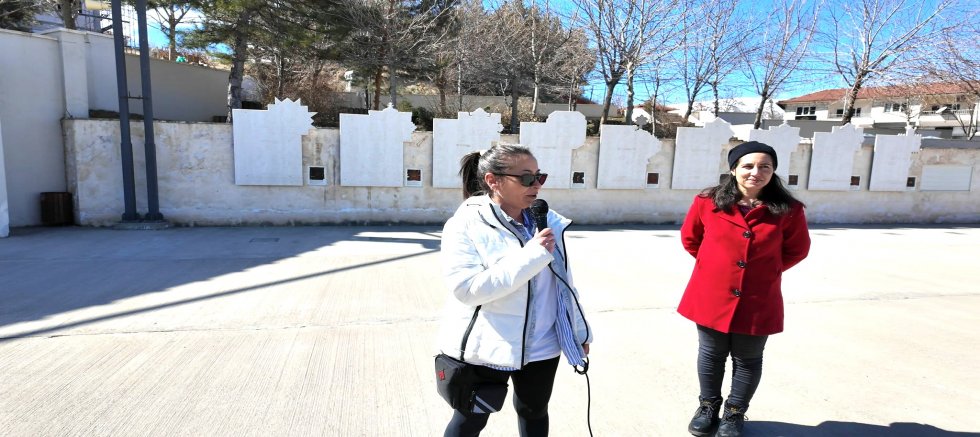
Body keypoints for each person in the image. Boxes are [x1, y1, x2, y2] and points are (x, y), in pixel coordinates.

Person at [437, 143, 592, 437]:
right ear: (492, 181)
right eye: (525, 178)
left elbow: (562, 287)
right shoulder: (465, 225)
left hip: (543, 347)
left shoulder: (548, 222)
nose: (536, 185)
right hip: (489, 348)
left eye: (539, 176)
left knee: (534, 414)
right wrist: (532, 255)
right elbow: (467, 289)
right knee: (469, 420)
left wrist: (578, 331)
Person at [678, 141, 811, 437]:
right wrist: (717, 268)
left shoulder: (788, 210)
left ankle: (734, 414)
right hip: (712, 293)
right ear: (734, 169)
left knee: (748, 358)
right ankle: (708, 406)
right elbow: (691, 239)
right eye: (748, 166)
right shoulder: (707, 202)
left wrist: (764, 272)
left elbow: (797, 250)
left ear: (773, 171)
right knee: (711, 354)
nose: (756, 172)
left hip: (758, 296)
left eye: (765, 166)